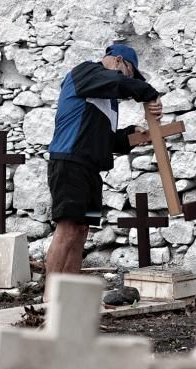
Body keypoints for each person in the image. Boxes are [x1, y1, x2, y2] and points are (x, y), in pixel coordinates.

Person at [44, 43, 163, 291]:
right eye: (130, 73)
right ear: (118, 61)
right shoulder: (85, 72)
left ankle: (69, 293)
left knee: (82, 229)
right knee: (67, 228)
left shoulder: (108, 102)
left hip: (90, 169)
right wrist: (148, 92)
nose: (128, 80)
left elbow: (106, 141)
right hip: (69, 162)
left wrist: (132, 135)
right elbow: (119, 84)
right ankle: (49, 295)